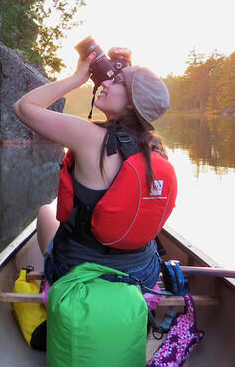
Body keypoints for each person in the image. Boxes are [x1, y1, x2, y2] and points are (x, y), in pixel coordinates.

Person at [13, 46, 173, 289]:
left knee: (47, 212)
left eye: (116, 82)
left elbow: (24, 107)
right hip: (142, 274)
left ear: (132, 105)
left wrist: (79, 77)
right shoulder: (155, 149)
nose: (105, 84)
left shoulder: (88, 136)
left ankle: (55, 285)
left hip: (81, 274)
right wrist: (126, 77)